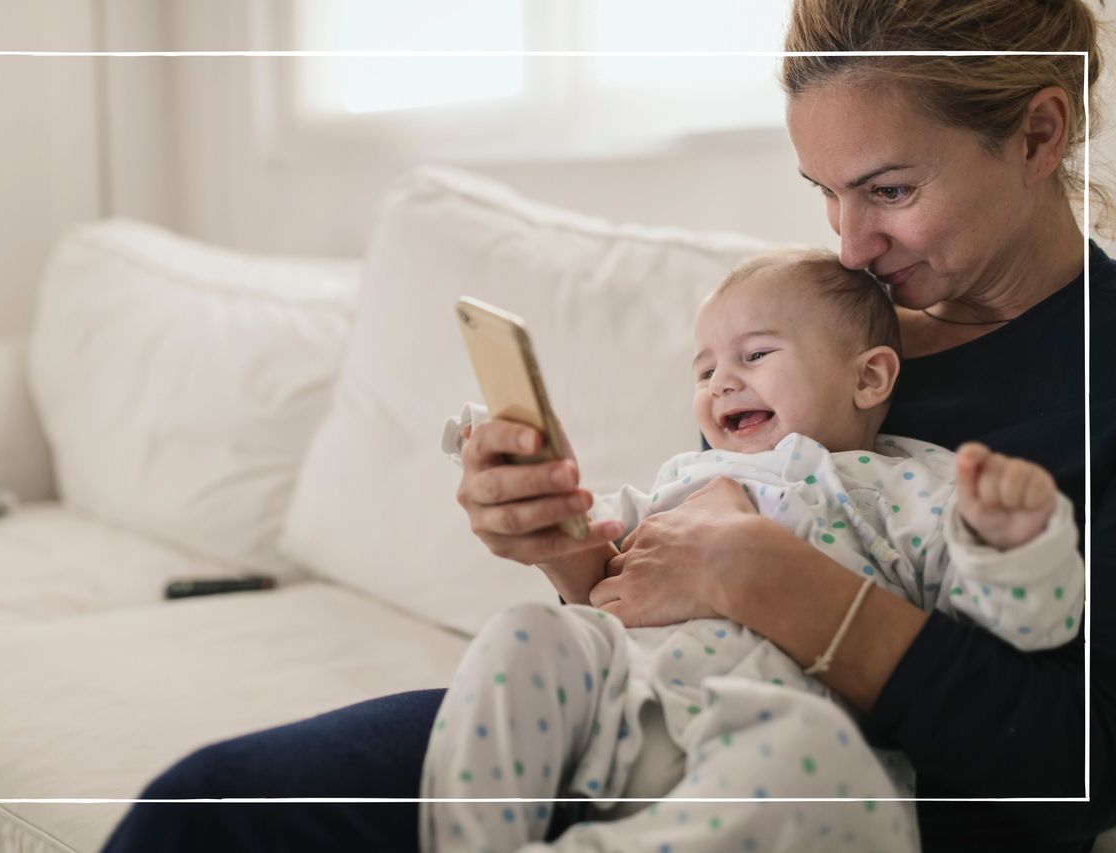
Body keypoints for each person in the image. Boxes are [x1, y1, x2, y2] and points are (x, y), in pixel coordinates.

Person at [101, 1, 1116, 850]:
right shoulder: (812, 325)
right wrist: (565, 548)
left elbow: (1072, 767)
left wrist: (771, 581)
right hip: (632, 710)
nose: (848, 245)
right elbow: (680, 556)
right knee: (204, 813)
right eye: (824, 194)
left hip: (807, 794)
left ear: (1036, 133)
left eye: (889, 191)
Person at [420, 250, 1083, 852]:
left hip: (763, 756)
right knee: (529, 632)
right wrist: (544, 503)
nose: (720, 383)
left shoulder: (906, 484)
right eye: (705, 369)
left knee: (813, 757)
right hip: (631, 712)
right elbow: (601, 576)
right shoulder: (688, 476)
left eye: (755, 355)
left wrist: (1012, 538)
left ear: (869, 377)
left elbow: (1018, 623)